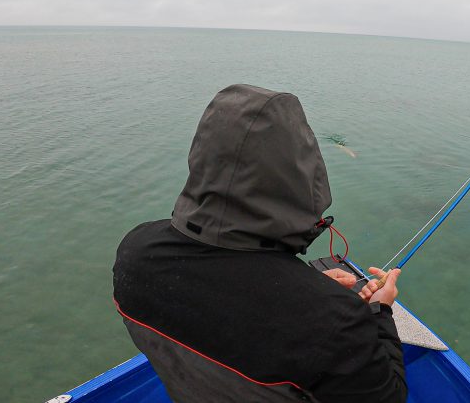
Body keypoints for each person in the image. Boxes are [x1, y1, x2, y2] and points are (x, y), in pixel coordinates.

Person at [112, 84, 407, 402]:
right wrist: (379, 309)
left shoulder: (135, 253)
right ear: (304, 170)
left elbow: (227, 304)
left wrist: (304, 290)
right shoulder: (335, 324)